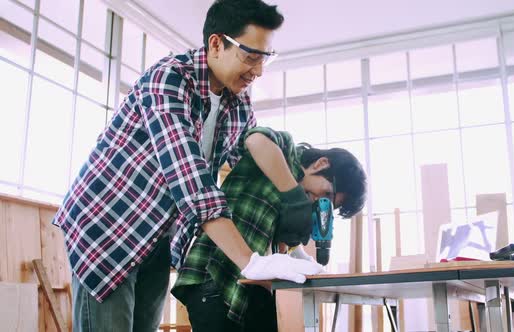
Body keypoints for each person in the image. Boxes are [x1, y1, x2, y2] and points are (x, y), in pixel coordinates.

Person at [51, 1, 322, 330]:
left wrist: (292, 202)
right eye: (251, 56)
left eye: (265, 58)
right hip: (107, 228)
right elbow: (192, 184)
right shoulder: (169, 81)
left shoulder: (237, 102)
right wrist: (250, 262)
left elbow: (248, 167)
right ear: (216, 44)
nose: (258, 71)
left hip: (156, 237)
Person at [172, 127, 368, 331]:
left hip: (251, 290)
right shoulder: (285, 149)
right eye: (325, 194)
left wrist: (297, 256)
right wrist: (292, 194)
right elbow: (255, 140)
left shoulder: (301, 210)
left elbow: (271, 253)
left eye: (329, 204)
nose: (320, 203)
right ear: (321, 163)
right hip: (215, 277)